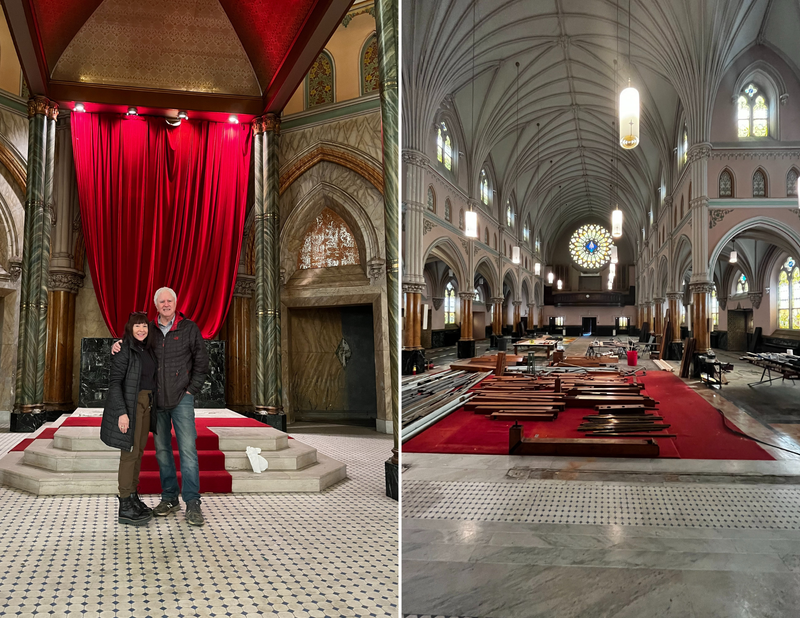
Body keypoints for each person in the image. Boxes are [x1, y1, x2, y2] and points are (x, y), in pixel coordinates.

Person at [112, 287, 209, 526]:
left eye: (170, 300)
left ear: (176, 303)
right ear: (156, 306)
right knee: (163, 452)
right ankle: (169, 498)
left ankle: (192, 502)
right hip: (156, 402)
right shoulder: (150, 329)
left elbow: (202, 362)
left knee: (187, 452)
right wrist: (118, 345)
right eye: (161, 301)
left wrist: (190, 390)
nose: (166, 304)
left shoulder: (189, 328)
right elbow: (135, 346)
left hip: (181, 399)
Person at [101, 312, 158, 527]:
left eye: (144, 326)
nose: (141, 329)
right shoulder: (124, 349)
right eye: (137, 326)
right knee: (129, 453)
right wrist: (122, 413)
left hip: (147, 404)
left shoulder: (148, 349)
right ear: (130, 328)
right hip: (131, 406)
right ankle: (124, 503)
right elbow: (115, 382)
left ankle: (133, 496)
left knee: (139, 451)